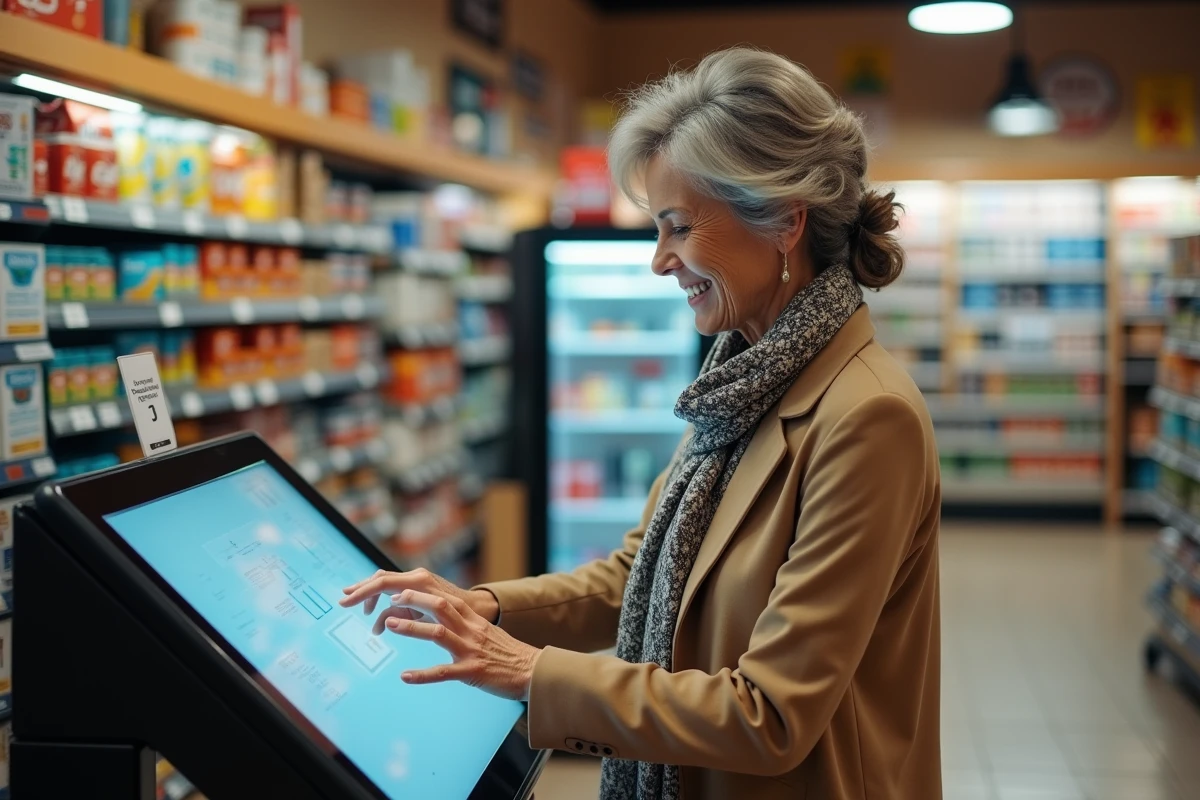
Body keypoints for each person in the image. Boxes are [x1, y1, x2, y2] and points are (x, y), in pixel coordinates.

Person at [341, 46, 941, 800]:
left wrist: (528, 671)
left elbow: (771, 715)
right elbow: (640, 577)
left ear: (784, 220)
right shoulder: (742, 381)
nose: (660, 261)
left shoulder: (868, 418)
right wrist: (483, 608)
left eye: (678, 228)